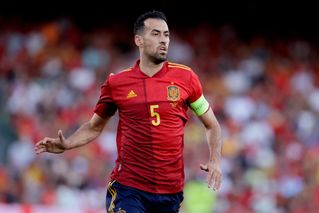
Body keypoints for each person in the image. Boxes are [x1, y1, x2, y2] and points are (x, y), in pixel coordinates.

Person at [35, 10, 223, 213]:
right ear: (139, 40)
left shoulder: (186, 78)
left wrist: (215, 160)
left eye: (166, 35)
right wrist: (68, 144)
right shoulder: (117, 83)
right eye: (156, 34)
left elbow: (212, 124)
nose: (163, 40)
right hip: (129, 189)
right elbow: (94, 126)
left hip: (171, 192)